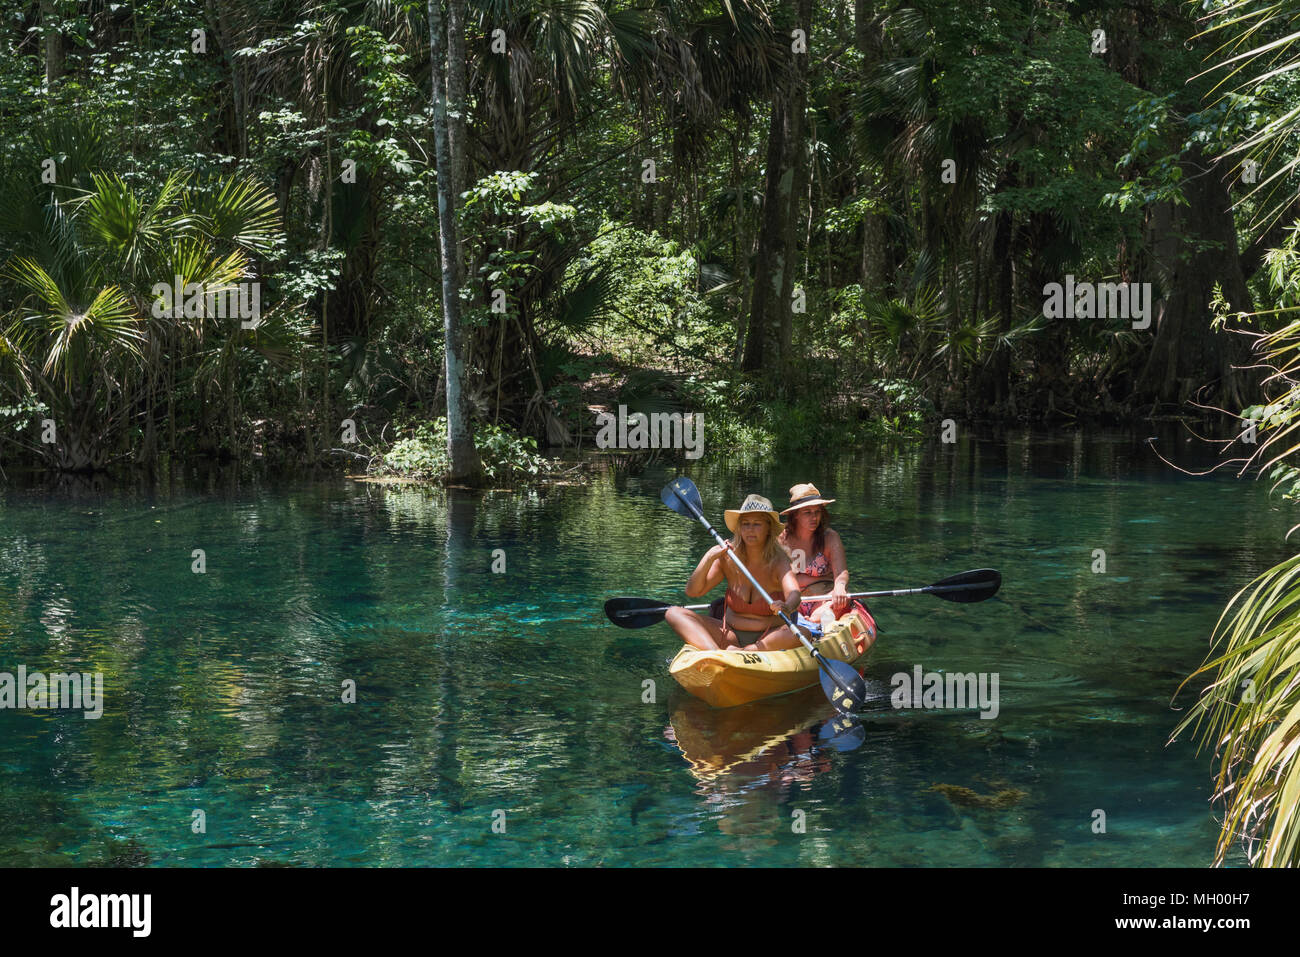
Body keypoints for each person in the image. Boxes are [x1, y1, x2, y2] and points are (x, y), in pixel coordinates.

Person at [663, 494, 805, 651]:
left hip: (769, 638)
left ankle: (746, 652)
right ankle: (715, 654)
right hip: (730, 635)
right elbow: (693, 591)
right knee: (673, 613)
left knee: (804, 633)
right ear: (739, 527)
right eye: (745, 524)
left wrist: (786, 606)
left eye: (757, 524)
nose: (750, 529)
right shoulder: (728, 558)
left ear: (768, 528)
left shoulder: (779, 561)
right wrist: (709, 557)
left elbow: (795, 594)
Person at [778, 483, 852, 619]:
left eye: (817, 512)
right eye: (807, 513)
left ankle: (812, 622)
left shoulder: (830, 537)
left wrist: (840, 586)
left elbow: (841, 573)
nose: (814, 517)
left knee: (823, 613)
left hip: (824, 596)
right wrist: (815, 579)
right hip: (791, 598)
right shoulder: (782, 538)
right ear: (795, 515)